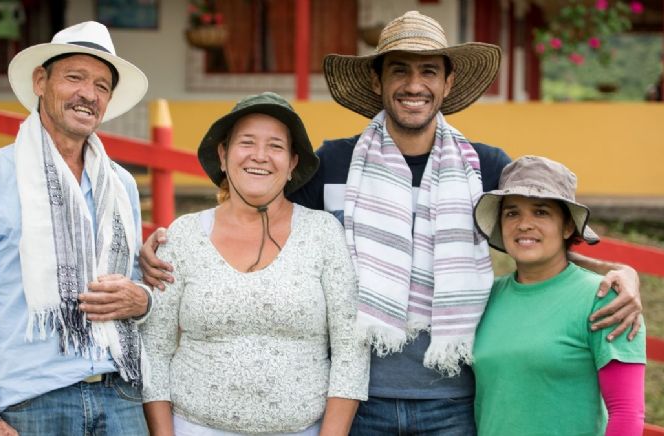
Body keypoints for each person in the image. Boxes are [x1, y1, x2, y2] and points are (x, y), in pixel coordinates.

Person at [141, 11, 643, 435]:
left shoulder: (484, 167)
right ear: (377, 81)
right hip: (359, 399)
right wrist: (168, 249)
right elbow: (258, 212)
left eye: (429, 71)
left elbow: (537, 237)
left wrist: (617, 275)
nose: (414, 84)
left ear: (447, 83)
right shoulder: (334, 164)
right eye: (399, 70)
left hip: (454, 398)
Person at [0, 21, 152, 435]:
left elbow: (131, 287)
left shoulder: (119, 184)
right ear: (41, 81)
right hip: (32, 401)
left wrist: (143, 299)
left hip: (121, 394)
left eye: (102, 86)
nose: (88, 94)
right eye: (74, 77)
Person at [141, 92, 370, 436]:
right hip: (194, 427)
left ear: (292, 163)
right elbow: (155, 350)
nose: (260, 156)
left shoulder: (322, 233)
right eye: (246, 142)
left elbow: (351, 349)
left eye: (276, 146)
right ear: (223, 155)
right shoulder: (184, 235)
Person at [472, 155, 646, 435]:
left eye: (541, 212)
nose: (524, 224)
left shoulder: (606, 298)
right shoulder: (484, 297)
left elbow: (627, 413)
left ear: (567, 226)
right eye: (512, 213)